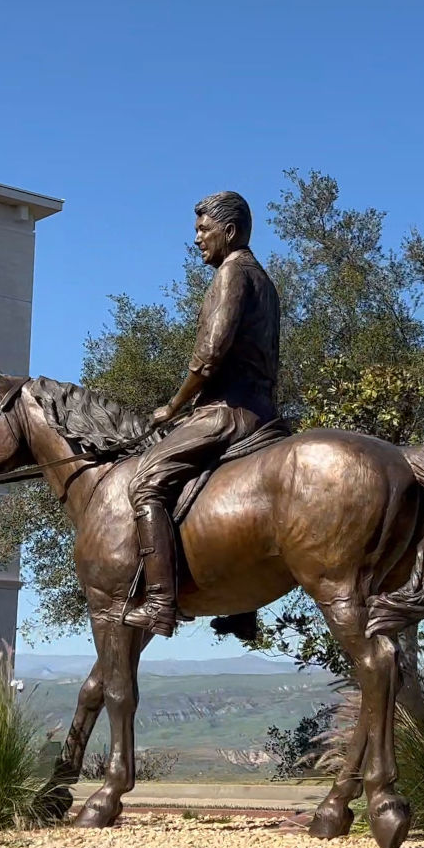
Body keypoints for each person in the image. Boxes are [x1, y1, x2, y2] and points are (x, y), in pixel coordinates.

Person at [120, 191, 282, 635]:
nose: (196, 240)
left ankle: (159, 605)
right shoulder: (264, 280)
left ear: (228, 232)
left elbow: (209, 357)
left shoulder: (231, 276)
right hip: (267, 413)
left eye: (202, 230)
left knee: (145, 481)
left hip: (230, 412)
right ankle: (243, 604)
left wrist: (171, 407)